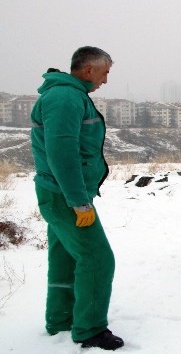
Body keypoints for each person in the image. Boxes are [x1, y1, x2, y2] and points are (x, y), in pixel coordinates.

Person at [30, 46, 124, 351]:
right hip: (65, 196)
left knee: (65, 257)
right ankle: (90, 329)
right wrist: (78, 201)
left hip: (59, 194)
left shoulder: (68, 95)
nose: (105, 80)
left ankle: (59, 319)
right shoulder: (65, 98)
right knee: (97, 259)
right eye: (105, 72)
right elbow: (61, 153)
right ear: (88, 70)